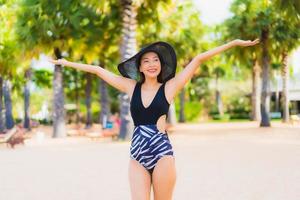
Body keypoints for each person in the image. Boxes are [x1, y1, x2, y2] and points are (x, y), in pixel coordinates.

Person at [49, 39, 259, 200]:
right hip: (137, 154)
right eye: (146, 61)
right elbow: (97, 70)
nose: (151, 64)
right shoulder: (131, 87)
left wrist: (234, 43)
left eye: (155, 60)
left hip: (162, 155)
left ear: (161, 65)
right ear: (139, 68)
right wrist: (66, 63)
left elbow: (199, 59)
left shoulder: (170, 87)